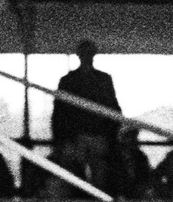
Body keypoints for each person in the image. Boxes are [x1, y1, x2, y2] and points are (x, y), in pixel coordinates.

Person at [52, 41, 122, 181]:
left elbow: (112, 107)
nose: (86, 56)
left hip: (98, 136)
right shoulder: (68, 80)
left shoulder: (103, 79)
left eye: (89, 52)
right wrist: (63, 139)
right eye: (84, 52)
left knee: (99, 177)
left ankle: (98, 201)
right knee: (75, 177)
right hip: (76, 137)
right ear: (79, 55)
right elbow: (60, 111)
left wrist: (111, 135)